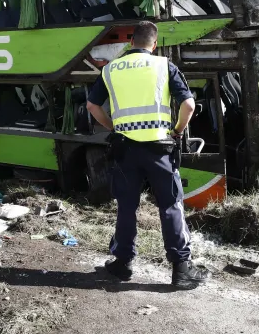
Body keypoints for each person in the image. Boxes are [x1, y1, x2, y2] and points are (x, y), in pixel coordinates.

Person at [86, 20, 210, 289]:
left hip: (125, 149)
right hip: (160, 149)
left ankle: (122, 264)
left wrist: (113, 126)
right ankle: (181, 270)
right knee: (170, 205)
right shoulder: (165, 65)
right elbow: (188, 105)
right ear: (154, 44)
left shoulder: (110, 70)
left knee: (127, 207)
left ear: (131, 42)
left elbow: (92, 105)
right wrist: (177, 131)